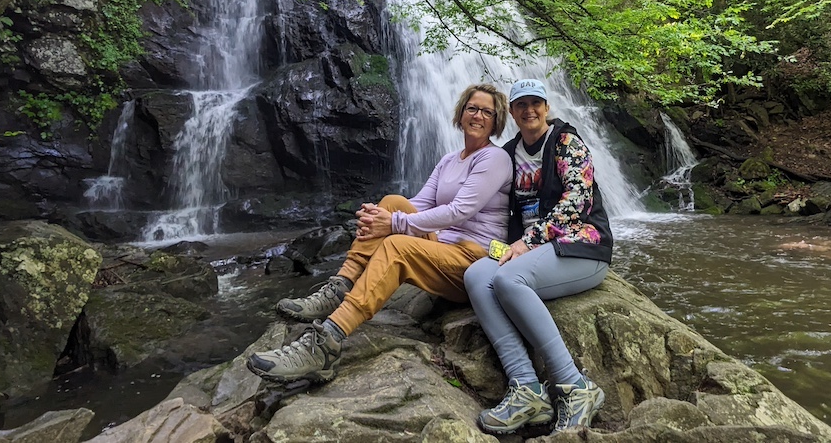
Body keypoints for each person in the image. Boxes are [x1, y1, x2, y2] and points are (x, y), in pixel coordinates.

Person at [246, 83, 512, 384]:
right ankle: (340, 287)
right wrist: (379, 215)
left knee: (397, 244)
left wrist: (394, 224)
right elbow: (417, 205)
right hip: (441, 249)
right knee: (391, 202)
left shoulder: (495, 159)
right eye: (472, 108)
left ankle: (325, 345)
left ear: (496, 120)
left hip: (472, 261)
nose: (478, 116)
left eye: (487, 112)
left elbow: (458, 211)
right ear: (462, 112)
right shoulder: (450, 159)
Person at [463, 78, 614, 435]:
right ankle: (527, 389)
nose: (529, 110)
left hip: (581, 247)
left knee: (507, 279)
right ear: (512, 112)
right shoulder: (509, 152)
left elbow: (577, 200)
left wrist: (529, 241)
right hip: (532, 249)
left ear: (547, 107)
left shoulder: (566, 143)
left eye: (536, 103)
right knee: (476, 276)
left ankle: (576, 387)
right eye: (521, 105)